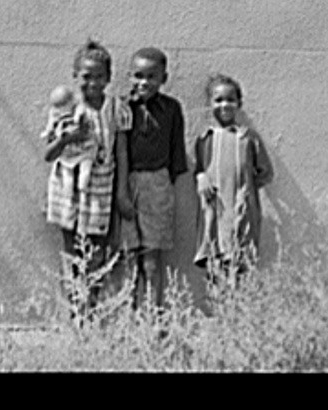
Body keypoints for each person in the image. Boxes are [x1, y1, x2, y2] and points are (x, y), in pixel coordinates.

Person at [43, 40, 133, 315]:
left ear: (108, 78)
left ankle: (89, 310)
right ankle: (74, 310)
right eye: (85, 76)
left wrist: (121, 193)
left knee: (95, 252)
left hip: (101, 189)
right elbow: (48, 153)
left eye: (98, 76)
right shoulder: (65, 109)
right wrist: (69, 137)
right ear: (74, 75)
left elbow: (122, 153)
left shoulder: (116, 108)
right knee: (72, 251)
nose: (91, 82)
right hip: (68, 189)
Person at [120, 47, 188, 309]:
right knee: (129, 257)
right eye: (138, 76)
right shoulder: (123, 108)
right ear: (129, 76)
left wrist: (160, 184)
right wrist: (123, 191)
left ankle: (153, 315)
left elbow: (176, 154)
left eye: (151, 76)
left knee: (151, 259)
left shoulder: (171, 109)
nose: (144, 82)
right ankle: (129, 317)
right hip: (128, 184)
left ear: (164, 78)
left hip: (157, 185)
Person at [193, 74, 274, 284]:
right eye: (218, 100)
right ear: (209, 103)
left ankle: (236, 311)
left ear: (239, 103)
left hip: (240, 209)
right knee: (215, 260)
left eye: (230, 100)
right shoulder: (205, 139)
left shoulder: (248, 138)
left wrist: (246, 188)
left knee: (239, 262)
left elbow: (265, 172)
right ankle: (218, 310)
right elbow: (199, 167)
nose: (224, 105)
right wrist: (201, 177)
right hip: (214, 211)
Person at [42, 84, 99, 195]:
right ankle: (67, 190)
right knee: (67, 170)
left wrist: (77, 120)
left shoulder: (78, 107)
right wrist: (48, 131)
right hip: (67, 150)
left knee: (86, 163)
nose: (61, 108)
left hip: (84, 147)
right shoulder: (55, 113)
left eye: (63, 104)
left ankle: (83, 183)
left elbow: (81, 117)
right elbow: (51, 126)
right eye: (58, 106)